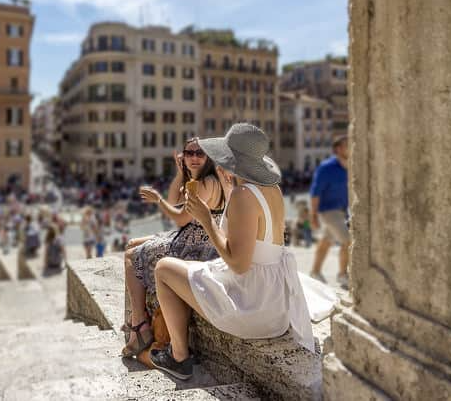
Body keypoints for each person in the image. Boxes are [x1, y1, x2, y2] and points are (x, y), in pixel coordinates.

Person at [150, 124, 323, 380]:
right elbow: (253, 239)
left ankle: (178, 357)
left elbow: (239, 264)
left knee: (163, 268)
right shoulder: (270, 189)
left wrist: (206, 220)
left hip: (253, 305)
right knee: (190, 268)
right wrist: (229, 189)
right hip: (273, 302)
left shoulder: (243, 195)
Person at [121, 137, 228, 358]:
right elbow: (175, 201)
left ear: (208, 156)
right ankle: (137, 324)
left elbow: (179, 218)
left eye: (200, 153)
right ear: (183, 156)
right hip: (192, 237)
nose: (195, 157)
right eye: (189, 153)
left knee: (132, 255)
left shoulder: (206, 183)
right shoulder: (198, 180)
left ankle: (139, 324)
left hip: (198, 244)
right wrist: (180, 173)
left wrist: (158, 200)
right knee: (132, 244)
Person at [309, 135, 350, 288]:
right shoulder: (326, 167)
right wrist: (313, 215)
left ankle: (315, 271)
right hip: (328, 211)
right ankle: (342, 274)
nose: (351, 147)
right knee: (348, 240)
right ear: (338, 149)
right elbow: (315, 192)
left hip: (342, 211)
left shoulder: (349, 167)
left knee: (326, 241)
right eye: (347, 145)